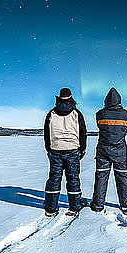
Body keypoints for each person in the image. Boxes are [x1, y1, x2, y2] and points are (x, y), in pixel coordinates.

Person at [90, 87, 127, 216]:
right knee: (122, 177)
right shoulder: (126, 114)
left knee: (101, 176)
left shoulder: (100, 114)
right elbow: (125, 129)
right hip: (119, 150)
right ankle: (126, 206)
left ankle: (98, 205)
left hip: (103, 149)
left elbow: (100, 127)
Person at [43, 87, 87, 217]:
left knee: (54, 178)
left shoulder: (51, 113)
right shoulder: (76, 113)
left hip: (55, 149)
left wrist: (49, 148)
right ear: (71, 97)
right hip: (73, 149)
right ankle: (74, 206)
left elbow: (46, 134)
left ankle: (51, 208)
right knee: (73, 178)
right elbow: (83, 133)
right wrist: (82, 149)